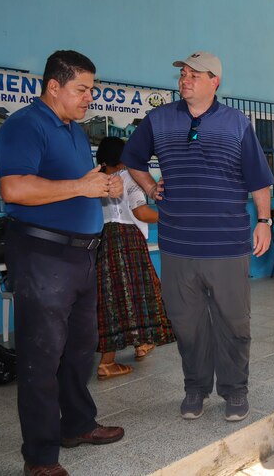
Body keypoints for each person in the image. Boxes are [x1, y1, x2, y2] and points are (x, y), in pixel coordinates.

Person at [121, 51, 274, 423]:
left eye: (195, 74)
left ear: (214, 81)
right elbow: (132, 158)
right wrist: (150, 185)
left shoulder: (237, 123)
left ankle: (235, 391)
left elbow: (258, 179)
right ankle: (195, 388)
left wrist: (265, 220)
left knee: (233, 322)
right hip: (177, 245)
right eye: (183, 74)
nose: (185, 79)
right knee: (186, 324)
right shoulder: (159, 120)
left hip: (227, 245)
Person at [0, 50, 125, 476]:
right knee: (41, 357)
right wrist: (81, 185)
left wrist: (104, 185)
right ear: (54, 86)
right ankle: (41, 455)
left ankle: (78, 425)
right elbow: (14, 188)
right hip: (43, 255)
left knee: (80, 350)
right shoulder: (24, 126)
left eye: (92, 88)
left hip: (82, 256)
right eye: (82, 89)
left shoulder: (71, 130)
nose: (91, 97)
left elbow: (75, 189)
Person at [94, 137, 175, 380]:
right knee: (140, 292)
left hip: (103, 239)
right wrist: (170, 218)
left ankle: (140, 344)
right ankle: (107, 363)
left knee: (112, 297)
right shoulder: (128, 176)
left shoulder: (95, 177)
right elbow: (140, 211)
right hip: (127, 239)